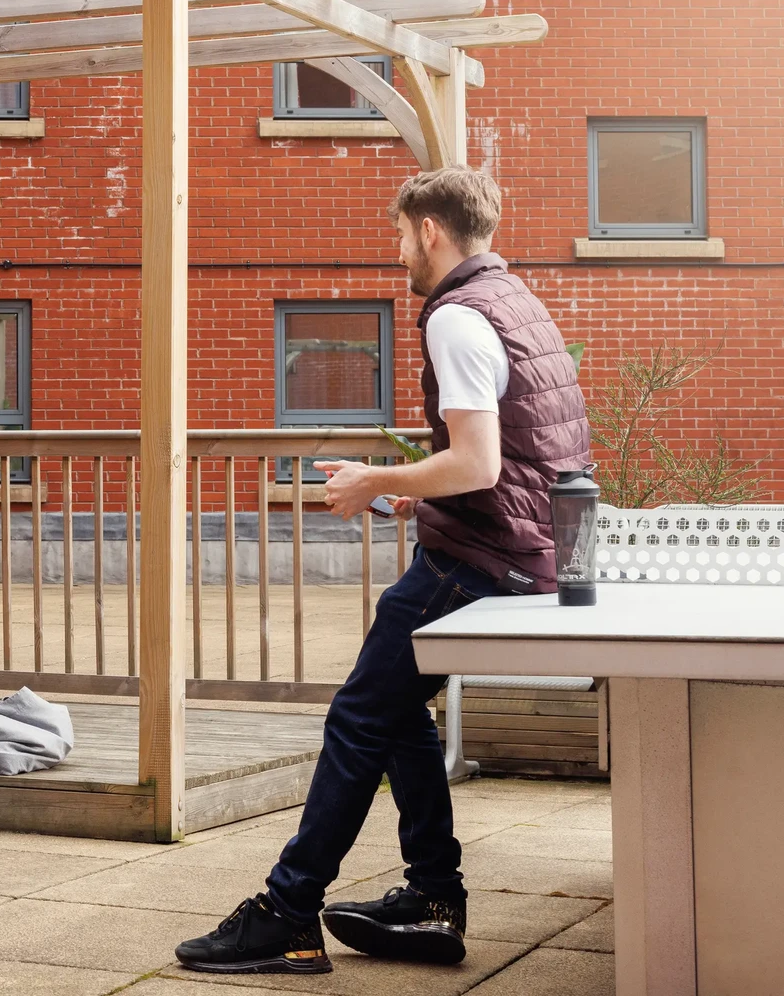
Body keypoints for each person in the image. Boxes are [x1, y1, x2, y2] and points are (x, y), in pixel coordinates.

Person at [177, 167, 590, 976]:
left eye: (401, 234)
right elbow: (516, 460)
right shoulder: (513, 300)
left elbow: (476, 461)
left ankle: (288, 914)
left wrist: (377, 480)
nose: (398, 251)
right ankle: (433, 899)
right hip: (523, 547)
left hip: (482, 562)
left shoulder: (458, 318)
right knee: (399, 714)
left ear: (431, 231)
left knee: (360, 717)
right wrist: (412, 500)